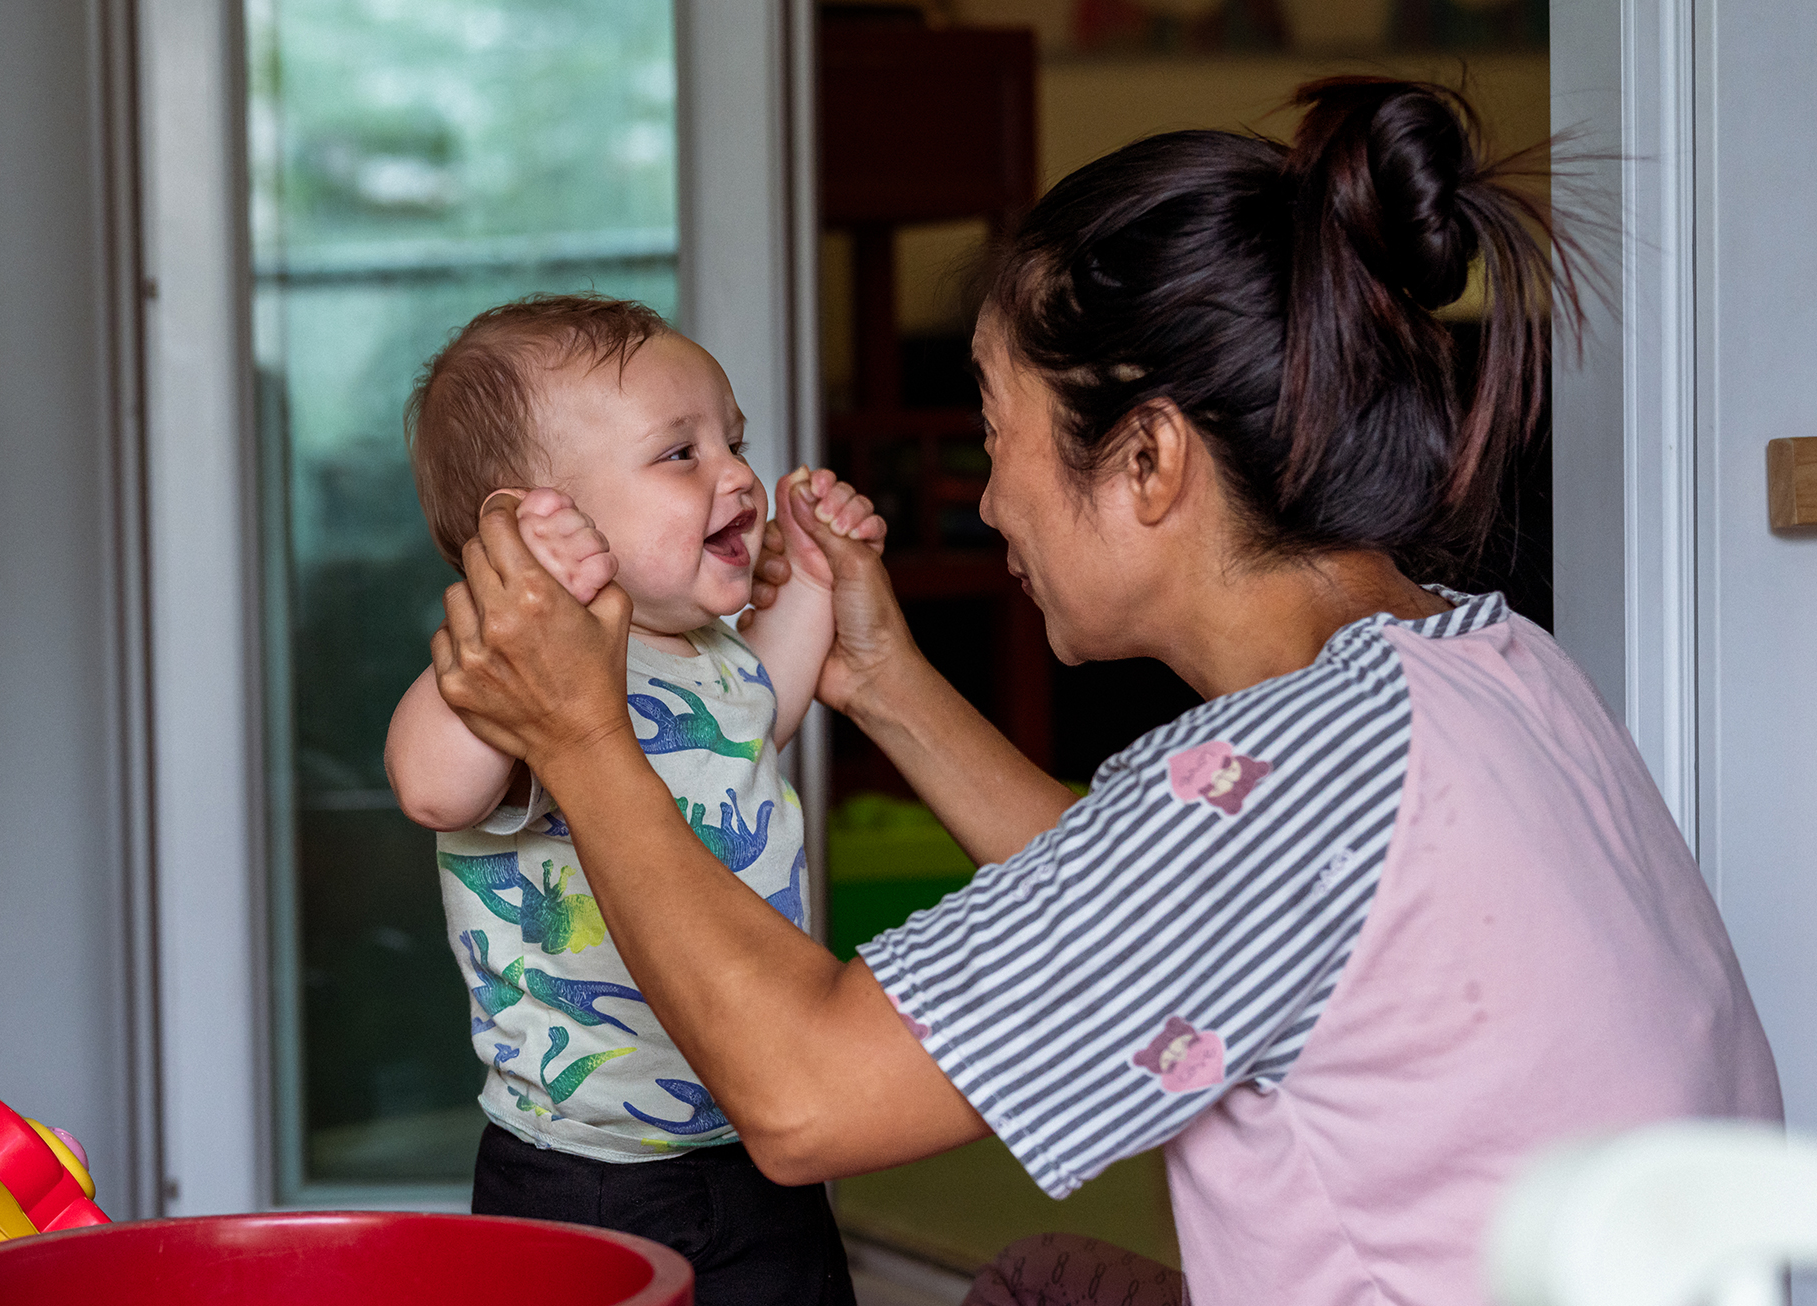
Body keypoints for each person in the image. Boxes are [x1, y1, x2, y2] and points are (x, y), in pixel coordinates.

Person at [424, 80, 1784, 1306]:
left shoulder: (1278, 782)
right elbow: (1158, 902)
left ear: (1146, 462)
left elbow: (800, 1097)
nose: (988, 492)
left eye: (996, 431)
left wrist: (582, 733)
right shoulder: (1489, 668)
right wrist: (884, 677)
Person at [384, 293, 884, 1306]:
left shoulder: (712, 662)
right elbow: (430, 785)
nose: (737, 474)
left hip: (756, 1138)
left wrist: (824, 584)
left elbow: (761, 715)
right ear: (537, 523)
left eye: (731, 442)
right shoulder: (523, 674)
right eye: (681, 454)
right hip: (580, 1172)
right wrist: (514, 609)